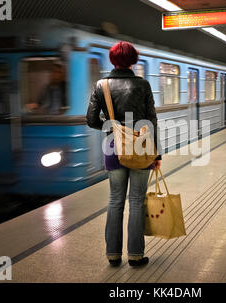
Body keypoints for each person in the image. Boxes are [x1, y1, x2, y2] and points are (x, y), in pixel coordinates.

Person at [86, 41, 162, 267]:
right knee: (137, 201)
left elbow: (91, 120)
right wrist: (156, 155)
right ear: (133, 60)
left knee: (115, 200)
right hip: (141, 147)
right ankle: (136, 256)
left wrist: (112, 127)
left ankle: (112, 255)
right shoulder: (143, 85)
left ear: (112, 60)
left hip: (112, 146)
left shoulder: (101, 85)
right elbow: (152, 120)